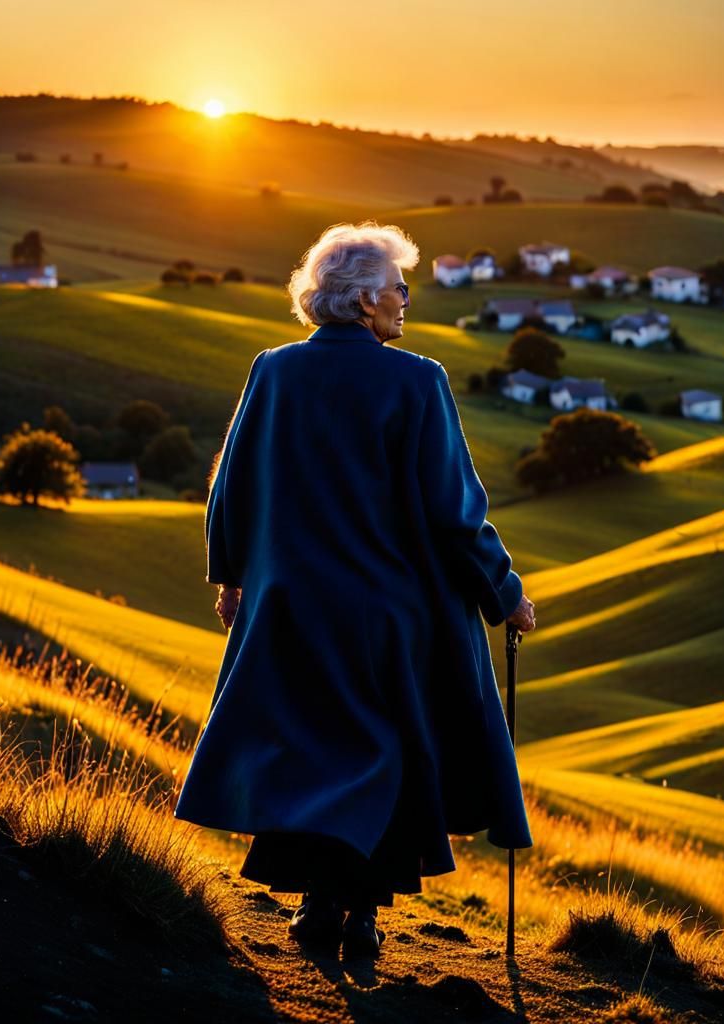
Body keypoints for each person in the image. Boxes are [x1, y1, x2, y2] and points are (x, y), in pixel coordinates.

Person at [173, 221, 536, 958]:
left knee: (313, 755)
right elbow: (455, 512)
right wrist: (506, 594)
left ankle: (323, 905)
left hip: (290, 611)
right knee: (385, 758)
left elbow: (232, 483)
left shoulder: (273, 370)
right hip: (387, 618)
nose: (407, 299)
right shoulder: (418, 380)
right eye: (399, 287)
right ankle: (358, 916)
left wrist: (232, 577)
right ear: (367, 299)